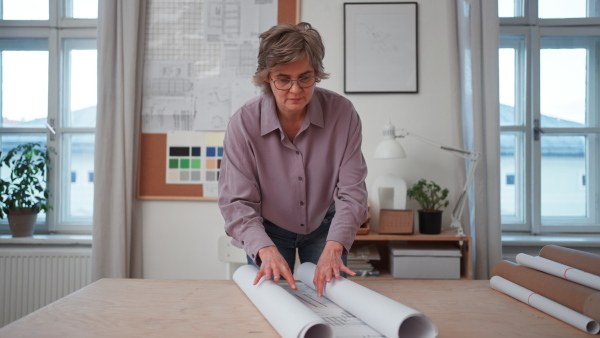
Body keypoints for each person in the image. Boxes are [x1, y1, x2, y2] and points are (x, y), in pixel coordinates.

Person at [218, 22, 368, 297]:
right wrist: (264, 249)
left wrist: (335, 246)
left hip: (326, 225)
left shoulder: (343, 114)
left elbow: (352, 192)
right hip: (268, 230)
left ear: (317, 75)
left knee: (334, 302)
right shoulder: (244, 123)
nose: (295, 89)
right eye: (283, 79)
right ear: (267, 78)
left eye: (305, 78)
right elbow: (237, 202)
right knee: (274, 306)